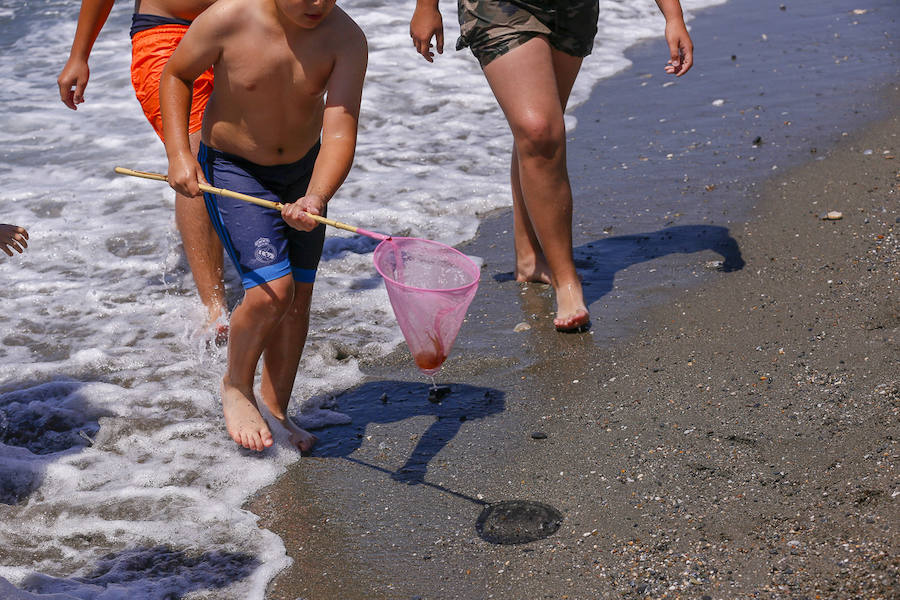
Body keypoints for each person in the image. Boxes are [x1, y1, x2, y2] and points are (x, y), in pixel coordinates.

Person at [409, 0, 694, 332]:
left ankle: (529, 257)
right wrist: (427, 6)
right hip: (499, 7)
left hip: (573, 10)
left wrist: (673, 16)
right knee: (539, 130)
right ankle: (566, 280)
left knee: (538, 134)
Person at [160, 0, 367, 452]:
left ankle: (276, 411)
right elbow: (176, 75)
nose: (318, 4)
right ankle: (235, 386)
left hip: (303, 172)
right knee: (272, 290)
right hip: (235, 170)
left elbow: (339, 128)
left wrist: (316, 196)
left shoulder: (345, 38)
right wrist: (180, 153)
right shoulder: (227, 18)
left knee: (299, 296)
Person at [57, 0, 228, 335]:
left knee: (239, 153)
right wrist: (80, 55)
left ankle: (253, 268)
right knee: (195, 159)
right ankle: (214, 307)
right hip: (168, 31)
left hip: (238, 31)